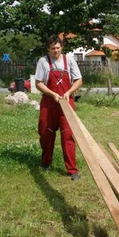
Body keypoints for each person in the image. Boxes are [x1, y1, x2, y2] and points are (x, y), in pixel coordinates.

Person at [35, 35, 83, 181]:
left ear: (61, 47)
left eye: (58, 48)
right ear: (48, 49)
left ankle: (72, 170)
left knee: (68, 135)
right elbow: (38, 83)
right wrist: (53, 94)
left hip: (66, 102)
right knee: (45, 132)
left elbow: (79, 80)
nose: (56, 51)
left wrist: (69, 92)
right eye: (52, 48)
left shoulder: (69, 60)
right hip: (49, 103)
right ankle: (46, 162)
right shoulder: (43, 62)